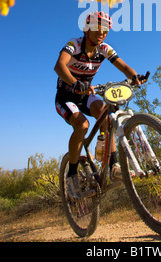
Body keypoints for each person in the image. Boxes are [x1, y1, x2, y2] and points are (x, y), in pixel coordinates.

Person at [54, 11, 144, 199]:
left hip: (87, 94)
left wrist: (134, 77)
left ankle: (113, 165)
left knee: (105, 114)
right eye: (97, 28)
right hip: (66, 96)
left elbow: (124, 67)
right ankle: (71, 175)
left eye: (105, 30)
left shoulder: (104, 49)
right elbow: (59, 66)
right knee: (82, 125)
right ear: (87, 28)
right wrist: (74, 83)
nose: (101, 33)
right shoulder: (74, 45)